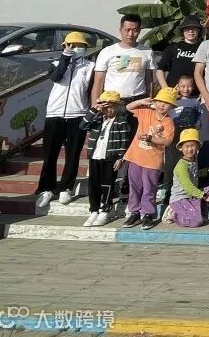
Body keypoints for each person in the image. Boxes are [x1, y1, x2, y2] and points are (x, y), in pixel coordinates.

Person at [36, 31, 94, 207]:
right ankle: (46, 188)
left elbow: (91, 89)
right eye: (72, 45)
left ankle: (66, 187)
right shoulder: (55, 64)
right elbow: (56, 77)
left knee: (73, 154)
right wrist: (65, 58)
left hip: (77, 114)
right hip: (55, 114)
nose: (76, 48)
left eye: (80, 46)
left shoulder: (90, 66)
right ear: (65, 46)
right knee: (50, 154)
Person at [120, 88, 177, 230]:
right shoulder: (146, 112)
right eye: (160, 101)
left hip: (152, 161)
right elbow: (128, 108)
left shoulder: (168, 122)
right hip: (135, 156)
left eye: (166, 103)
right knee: (134, 187)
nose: (162, 105)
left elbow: (167, 141)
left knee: (149, 189)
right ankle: (134, 212)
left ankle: (148, 214)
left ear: (171, 106)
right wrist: (142, 101)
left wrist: (151, 138)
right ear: (154, 102)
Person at [78, 90, 129, 227]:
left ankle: (105, 209)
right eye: (105, 107)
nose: (108, 110)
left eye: (111, 106)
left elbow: (124, 140)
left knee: (108, 184)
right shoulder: (98, 119)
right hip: (95, 156)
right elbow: (82, 126)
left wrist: (120, 158)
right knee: (93, 184)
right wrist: (95, 109)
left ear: (117, 107)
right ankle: (94, 210)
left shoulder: (121, 120)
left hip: (110, 157)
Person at [161, 74, 209, 209]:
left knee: (190, 163)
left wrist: (196, 130)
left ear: (193, 87)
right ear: (177, 86)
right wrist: (173, 94)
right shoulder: (173, 101)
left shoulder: (195, 102)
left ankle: (193, 189)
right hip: (174, 134)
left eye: (189, 86)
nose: (186, 89)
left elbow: (199, 119)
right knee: (171, 164)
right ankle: (168, 191)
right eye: (182, 86)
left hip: (189, 135)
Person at [91, 13, 154, 107]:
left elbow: (149, 81)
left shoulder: (147, 52)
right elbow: (98, 84)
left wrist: (150, 101)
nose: (130, 34)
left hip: (139, 101)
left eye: (134, 30)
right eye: (127, 30)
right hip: (112, 102)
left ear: (139, 31)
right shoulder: (107, 52)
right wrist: (94, 107)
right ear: (120, 30)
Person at [161, 129, 209, 227]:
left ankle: (198, 204)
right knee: (197, 221)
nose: (189, 149)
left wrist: (207, 170)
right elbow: (188, 186)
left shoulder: (194, 160)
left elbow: (195, 174)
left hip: (192, 195)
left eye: (192, 146)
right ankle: (173, 213)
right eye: (186, 146)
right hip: (180, 198)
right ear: (181, 148)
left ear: (197, 147)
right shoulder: (181, 166)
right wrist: (205, 196)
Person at [155, 16, 203, 91]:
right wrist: (166, 89)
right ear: (182, 30)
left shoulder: (203, 48)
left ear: (199, 30)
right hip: (172, 92)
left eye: (194, 28)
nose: (190, 31)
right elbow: (160, 70)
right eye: (187, 28)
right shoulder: (174, 46)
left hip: (196, 94)